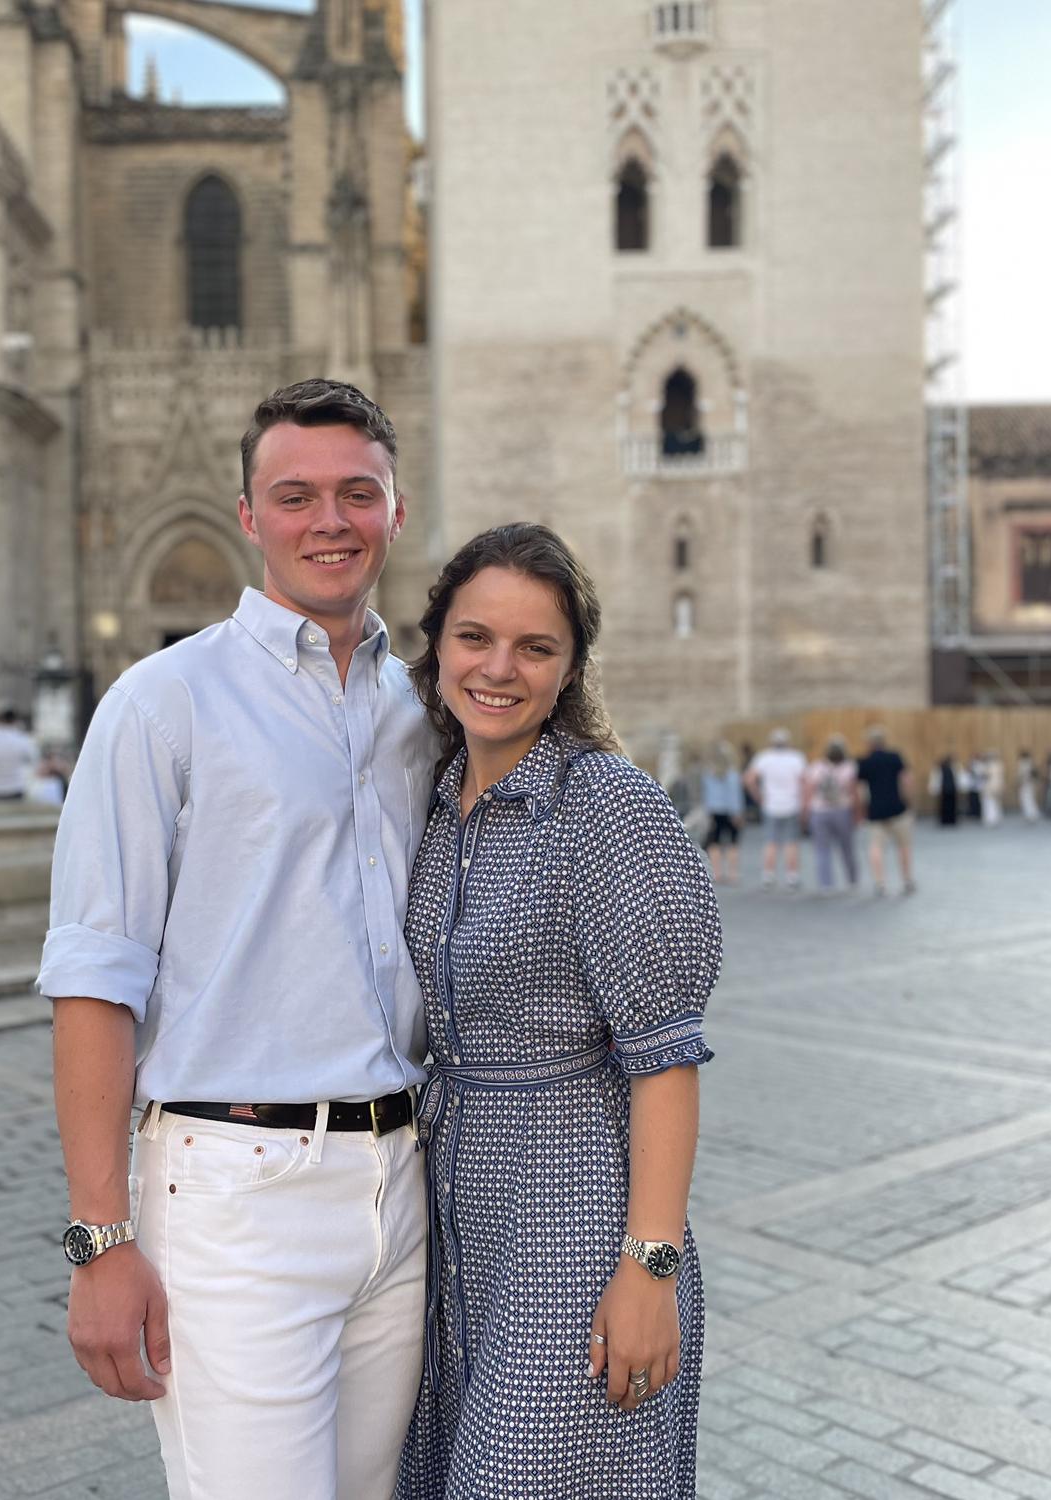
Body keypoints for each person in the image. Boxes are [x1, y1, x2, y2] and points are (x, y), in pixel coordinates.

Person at [38, 380, 438, 1500]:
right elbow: (94, 983)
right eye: (296, 495)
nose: (330, 520)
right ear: (249, 515)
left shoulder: (425, 712)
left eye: (358, 493)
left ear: (397, 511)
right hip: (235, 1196)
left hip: (399, 1191)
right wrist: (98, 1239)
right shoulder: (163, 703)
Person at [396, 523, 720, 1500]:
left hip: (573, 1212)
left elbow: (665, 1059)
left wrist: (648, 1268)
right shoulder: (435, 801)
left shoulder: (602, 803)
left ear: (571, 667)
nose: (499, 668)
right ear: (438, 644)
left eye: (535, 648)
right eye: (474, 637)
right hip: (453, 1212)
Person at [745, 729, 807, 889]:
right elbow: (804, 781)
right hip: (791, 804)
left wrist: (758, 796)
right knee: (791, 842)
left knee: (770, 842)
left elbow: (749, 778)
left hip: (771, 805)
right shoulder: (796, 758)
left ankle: (768, 875)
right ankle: (792, 876)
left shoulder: (764, 758)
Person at [860, 726, 916, 895]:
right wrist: (910, 803)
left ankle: (880, 883)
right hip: (897, 809)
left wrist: (863, 809)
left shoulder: (864, 762)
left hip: (876, 811)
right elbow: (907, 781)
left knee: (875, 847)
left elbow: (860, 789)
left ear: (869, 743)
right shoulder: (894, 757)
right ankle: (907, 880)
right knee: (904, 846)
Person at [803, 735, 859, 893]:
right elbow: (853, 792)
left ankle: (826, 883)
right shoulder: (849, 767)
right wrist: (857, 813)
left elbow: (809, 790)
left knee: (822, 849)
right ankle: (852, 880)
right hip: (842, 810)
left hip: (820, 811)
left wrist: (806, 811)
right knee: (847, 848)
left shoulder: (816, 767)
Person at [700, 740, 745, 884]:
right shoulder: (732, 775)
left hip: (714, 810)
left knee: (714, 842)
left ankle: (717, 872)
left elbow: (705, 794)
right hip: (730, 811)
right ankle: (733, 873)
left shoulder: (708, 774)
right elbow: (734, 794)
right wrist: (737, 812)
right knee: (733, 842)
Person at [931, 754, 960, 827]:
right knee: (946, 805)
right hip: (946, 789)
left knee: (950, 805)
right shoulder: (941, 769)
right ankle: (946, 820)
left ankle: (950, 820)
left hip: (949, 789)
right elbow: (937, 779)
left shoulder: (953, 768)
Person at [980, 750, 1004, 827]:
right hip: (997, 786)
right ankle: (996, 818)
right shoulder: (999, 765)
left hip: (990, 786)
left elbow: (985, 775)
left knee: (989, 803)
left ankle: (991, 819)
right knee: (996, 803)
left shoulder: (989, 766)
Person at [1016, 749, 1040, 823]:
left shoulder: (1023, 764)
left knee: (1026, 799)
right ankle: (1033, 814)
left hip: (1025, 784)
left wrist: (1019, 782)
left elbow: (1021, 775)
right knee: (1030, 799)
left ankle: (1030, 815)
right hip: (1031, 783)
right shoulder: (1031, 762)